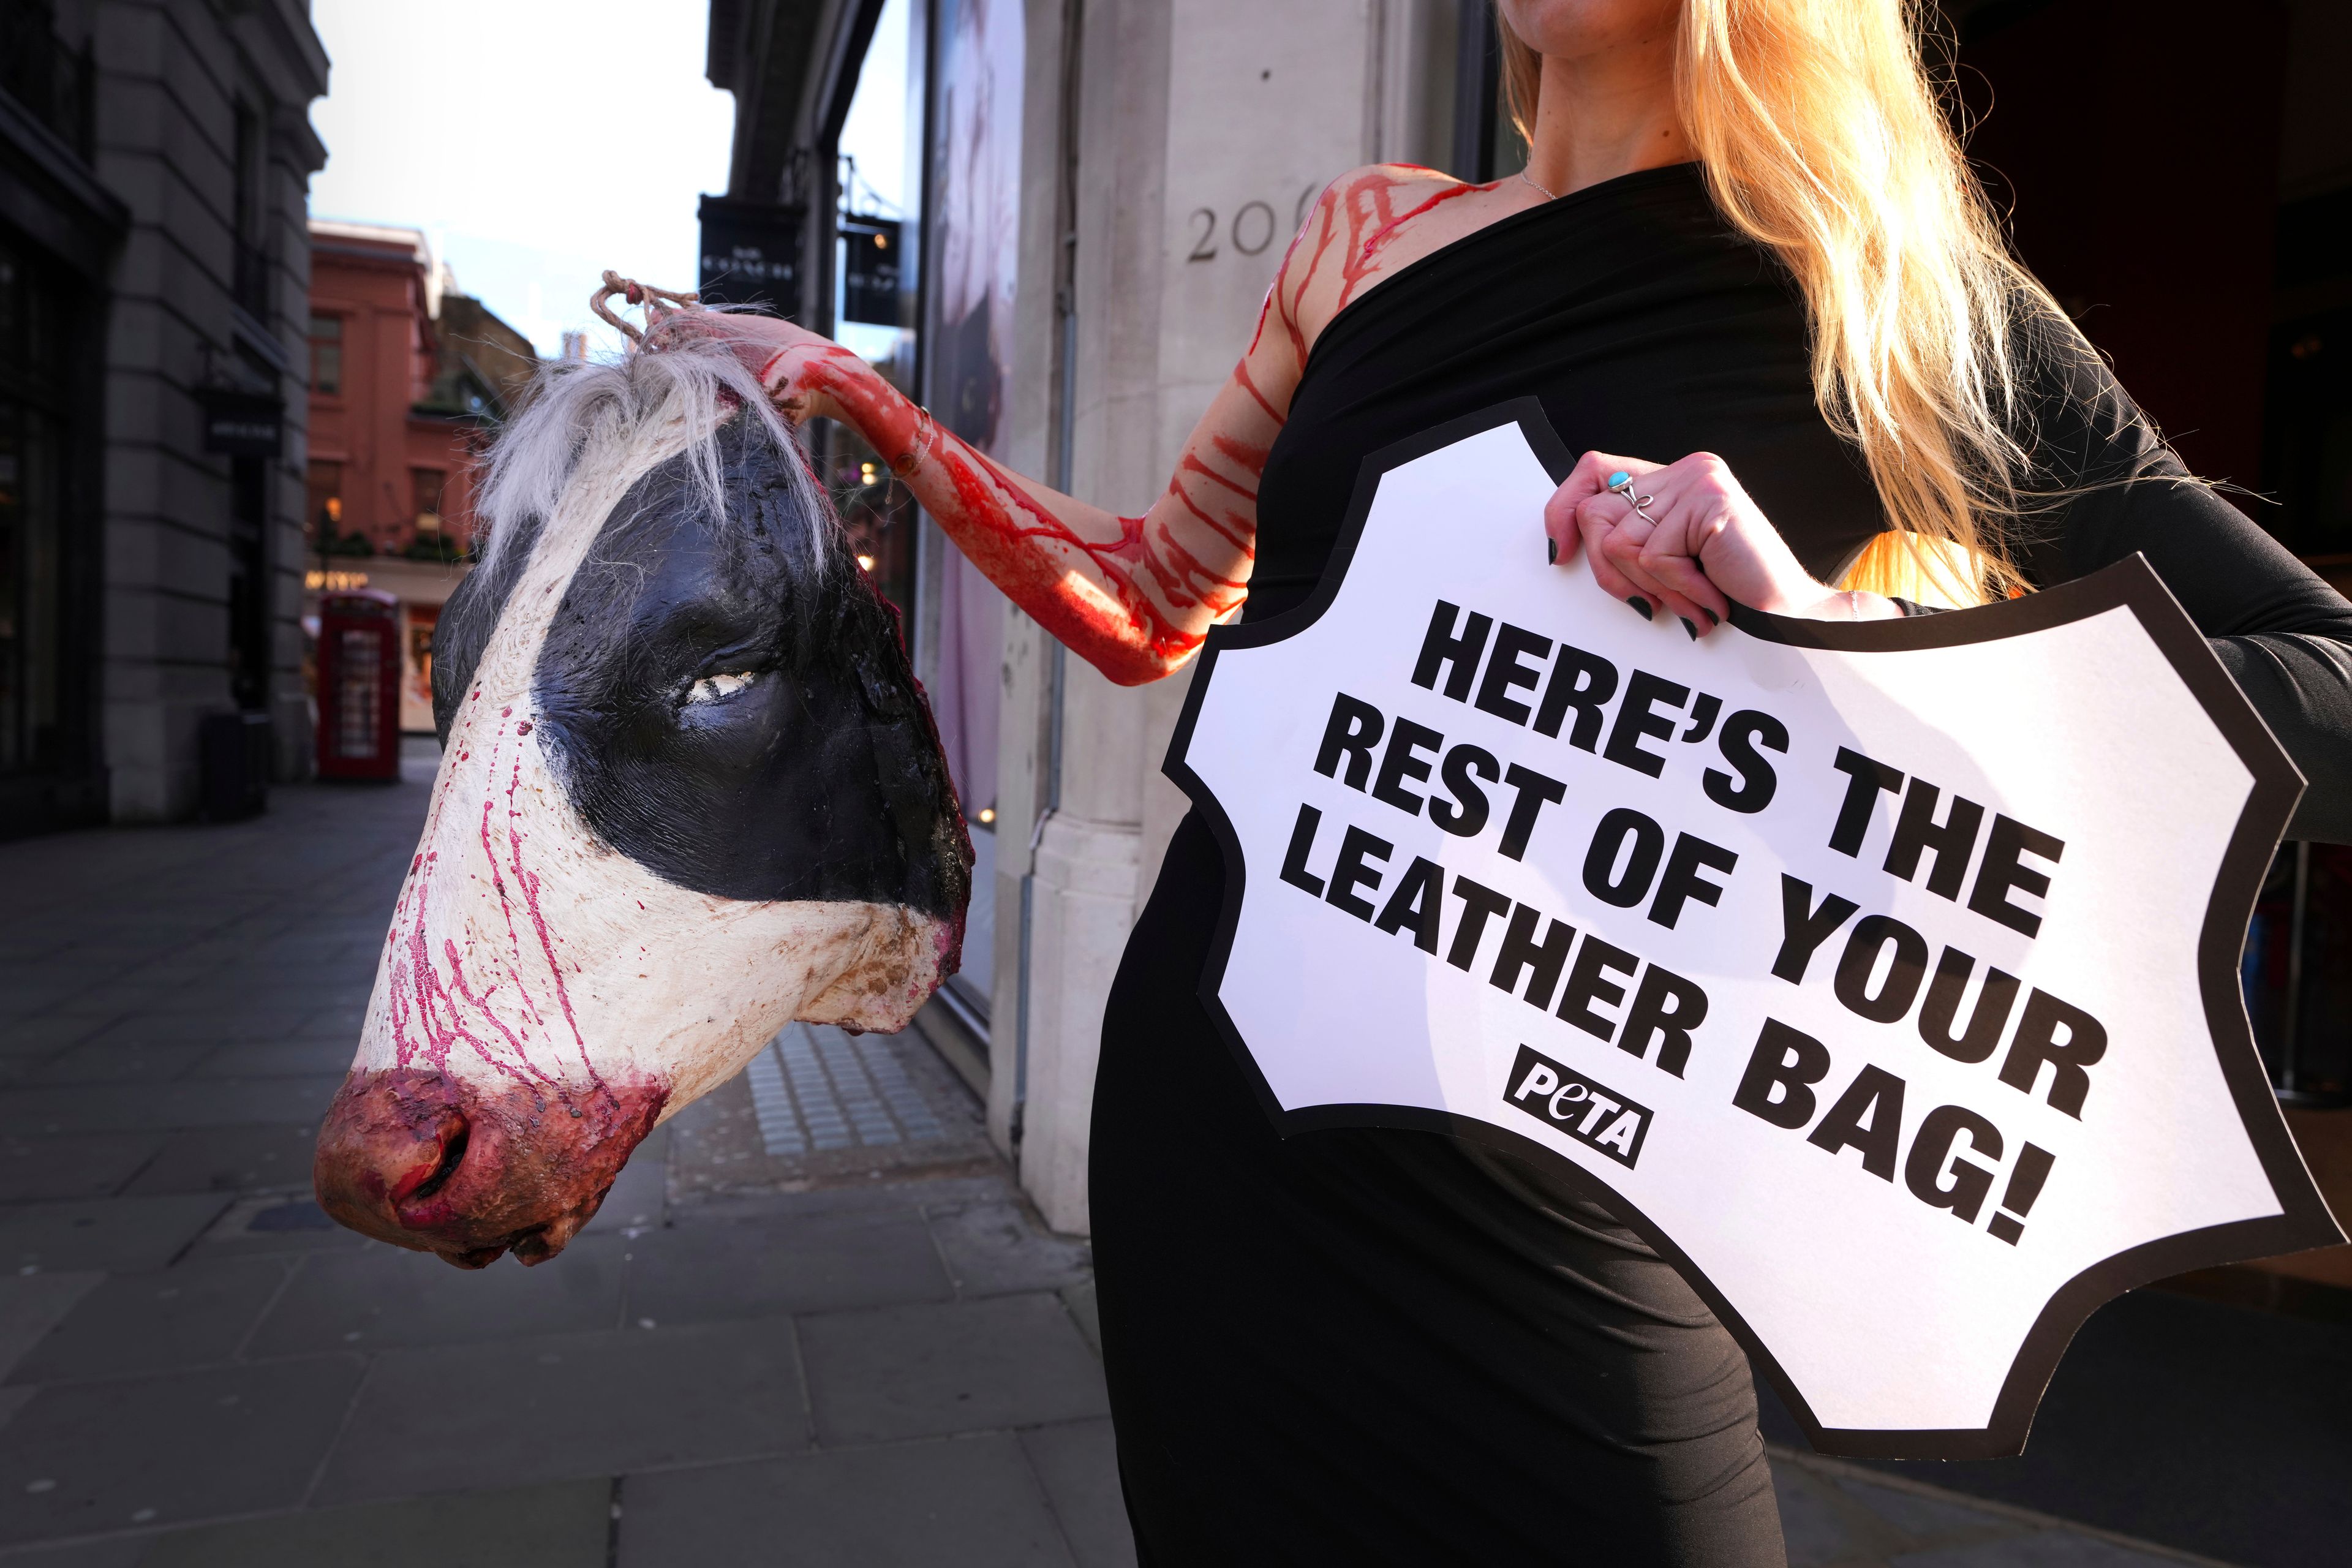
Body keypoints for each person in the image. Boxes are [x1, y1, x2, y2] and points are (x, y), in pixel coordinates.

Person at [661, 1, 2352, 1558]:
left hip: (1564, 1200)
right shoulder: (1363, 233)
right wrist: (850, 392)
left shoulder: (1879, 286)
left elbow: (2324, 681)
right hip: (1225, 1133)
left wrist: (1839, 640)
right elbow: (1150, 604)